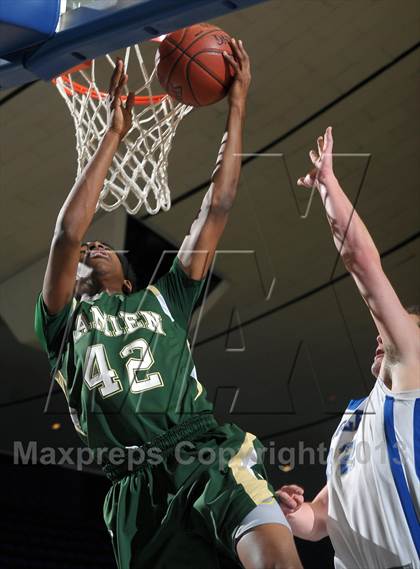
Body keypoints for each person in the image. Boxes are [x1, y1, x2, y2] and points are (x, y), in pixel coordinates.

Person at [34, 40, 303, 569]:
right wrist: (112, 134)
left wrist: (239, 105)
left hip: (207, 456)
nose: (90, 249)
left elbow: (218, 205)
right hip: (136, 495)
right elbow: (67, 233)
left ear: (127, 277)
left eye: (101, 248)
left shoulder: (167, 298)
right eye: (86, 252)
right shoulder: (63, 327)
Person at [276, 127, 420, 569]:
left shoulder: (410, 378)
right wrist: (295, 512)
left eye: (401, 328)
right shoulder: (354, 421)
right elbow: (322, 521)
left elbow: (361, 260)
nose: (384, 335)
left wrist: (328, 186)